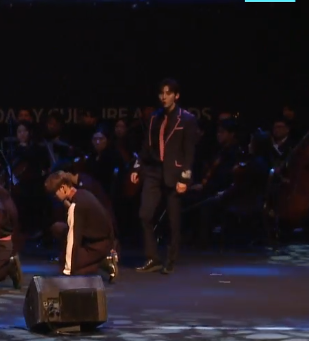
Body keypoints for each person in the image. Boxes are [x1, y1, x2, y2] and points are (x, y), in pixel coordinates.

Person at [130, 79, 198, 275]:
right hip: (154, 171)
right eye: (161, 93)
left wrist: (185, 178)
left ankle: (171, 259)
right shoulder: (154, 117)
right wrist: (137, 168)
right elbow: (146, 146)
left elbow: (189, 152)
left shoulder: (187, 119)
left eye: (168, 93)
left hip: (174, 173)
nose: (164, 97)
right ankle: (153, 257)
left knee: (173, 220)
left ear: (176, 95)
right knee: (145, 214)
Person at [45, 172, 118, 282]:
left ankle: (103, 262)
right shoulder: (83, 193)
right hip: (97, 239)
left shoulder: (76, 206)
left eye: (55, 194)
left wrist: (68, 270)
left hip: (97, 246)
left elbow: (73, 238)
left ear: (63, 188)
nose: (55, 198)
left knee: (72, 267)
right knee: (57, 228)